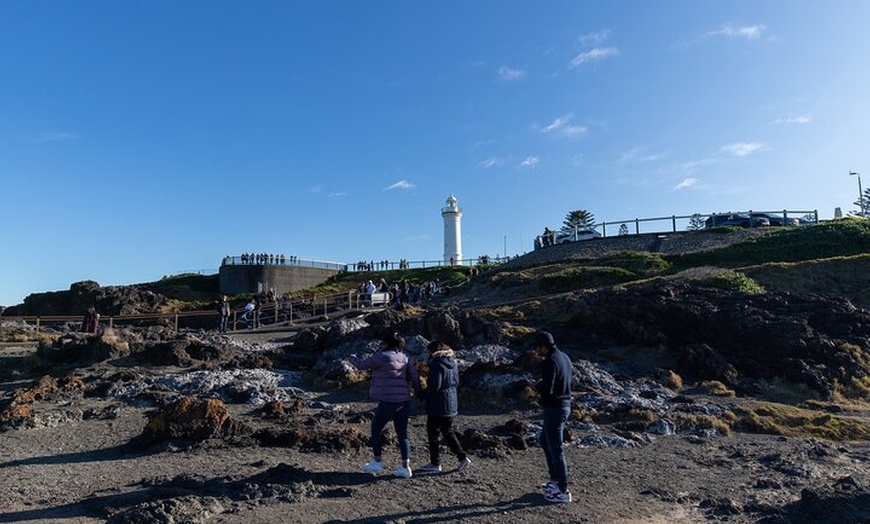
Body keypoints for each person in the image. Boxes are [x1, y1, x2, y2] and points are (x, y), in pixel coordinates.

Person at [348, 332, 421, 478]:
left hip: (387, 401)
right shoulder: (405, 358)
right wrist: (419, 394)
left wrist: (351, 358)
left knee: (376, 429)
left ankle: (377, 462)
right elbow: (414, 377)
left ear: (386, 343)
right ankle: (405, 467)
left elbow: (362, 365)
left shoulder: (382, 356)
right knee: (402, 434)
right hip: (404, 401)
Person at [417, 340, 471, 474]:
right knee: (447, 432)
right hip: (451, 402)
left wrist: (422, 394)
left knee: (433, 433)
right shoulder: (453, 362)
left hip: (438, 404)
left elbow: (435, 386)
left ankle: (435, 463)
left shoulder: (437, 364)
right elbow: (456, 382)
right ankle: (462, 457)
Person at [533, 330, 573, 503]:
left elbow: (548, 389)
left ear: (544, 346)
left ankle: (563, 490)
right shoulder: (564, 357)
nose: (536, 351)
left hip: (554, 408)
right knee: (545, 440)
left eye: (537, 348)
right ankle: (555, 480)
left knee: (556, 448)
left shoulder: (550, 362)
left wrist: (537, 387)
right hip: (564, 405)